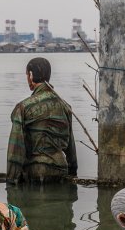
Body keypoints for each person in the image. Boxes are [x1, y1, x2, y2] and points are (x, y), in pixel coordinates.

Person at [5, 57, 78, 185]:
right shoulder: (65, 106)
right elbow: (71, 147)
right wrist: (73, 172)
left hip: (35, 172)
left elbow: (15, 151)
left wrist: (11, 182)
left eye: (27, 74)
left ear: (31, 75)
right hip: (61, 169)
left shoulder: (23, 107)